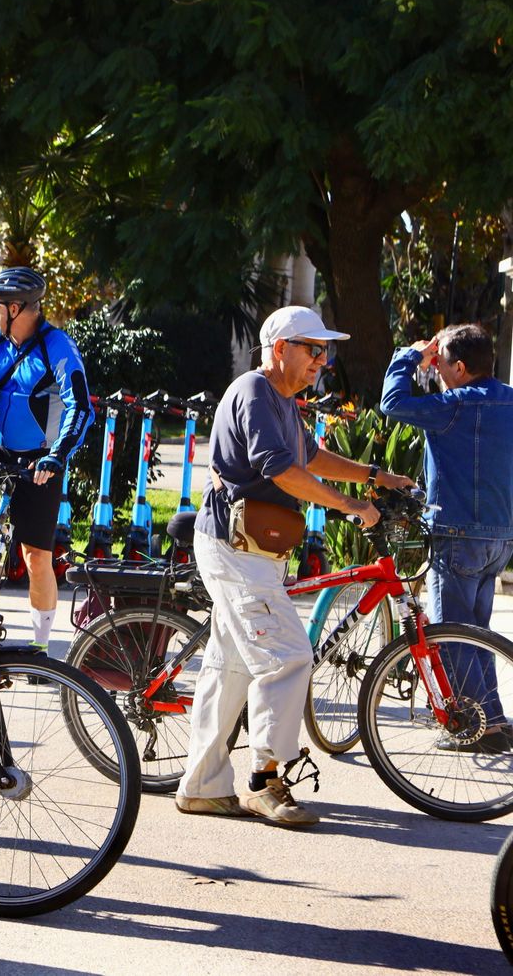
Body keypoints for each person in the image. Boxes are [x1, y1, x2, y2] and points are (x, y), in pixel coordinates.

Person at [176, 306, 410, 825]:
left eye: (325, 351)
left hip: (250, 550)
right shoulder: (255, 392)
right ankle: (265, 779)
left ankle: (202, 785)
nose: (322, 361)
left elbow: (312, 456)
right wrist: (350, 506)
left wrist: (374, 475)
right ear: (279, 348)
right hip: (237, 551)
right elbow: (282, 470)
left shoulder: (282, 401)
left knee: (231, 668)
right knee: (289, 657)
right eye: (312, 349)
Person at [380, 323, 513, 751]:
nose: (434, 372)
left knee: (451, 632)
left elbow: (392, 402)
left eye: (438, 365)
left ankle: (476, 728)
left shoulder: (454, 405)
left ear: (459, 367)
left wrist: (408, 357)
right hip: (501, 536)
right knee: (477, 631)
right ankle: (492, 718)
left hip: (457, 531)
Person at [0, 267, 93, 649]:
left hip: (39, 461)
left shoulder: (57, 346)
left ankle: (40, 647)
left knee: (35, 557)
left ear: (16, 308)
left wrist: (56, 456)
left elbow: (80, 407)